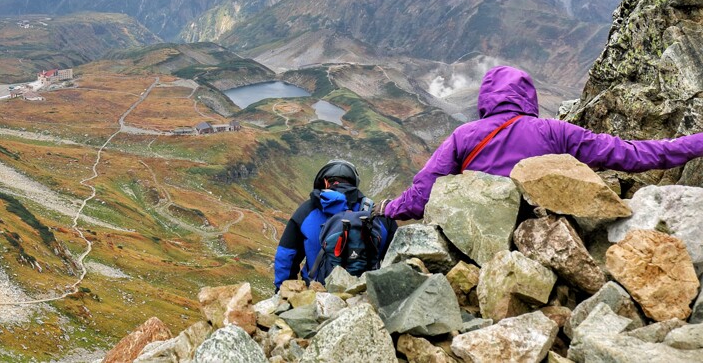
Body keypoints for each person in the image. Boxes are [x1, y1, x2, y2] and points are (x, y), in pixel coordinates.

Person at [382, 65, 703, 220]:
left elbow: (422, 193)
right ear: (528, 96)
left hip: (477, 242)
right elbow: (630, 155)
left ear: (485, 98)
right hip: (543, 236)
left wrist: (387, 210)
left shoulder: (464, 136)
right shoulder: (555, 131)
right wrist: (696, 144)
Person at [274, 159, 395, 290]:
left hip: (317, 294)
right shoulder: (376, 213)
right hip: (365, 295)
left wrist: (283, 293)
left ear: (325, 182)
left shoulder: (306, 211)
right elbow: (395, 260)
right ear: (354, 184)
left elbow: (286, 255)